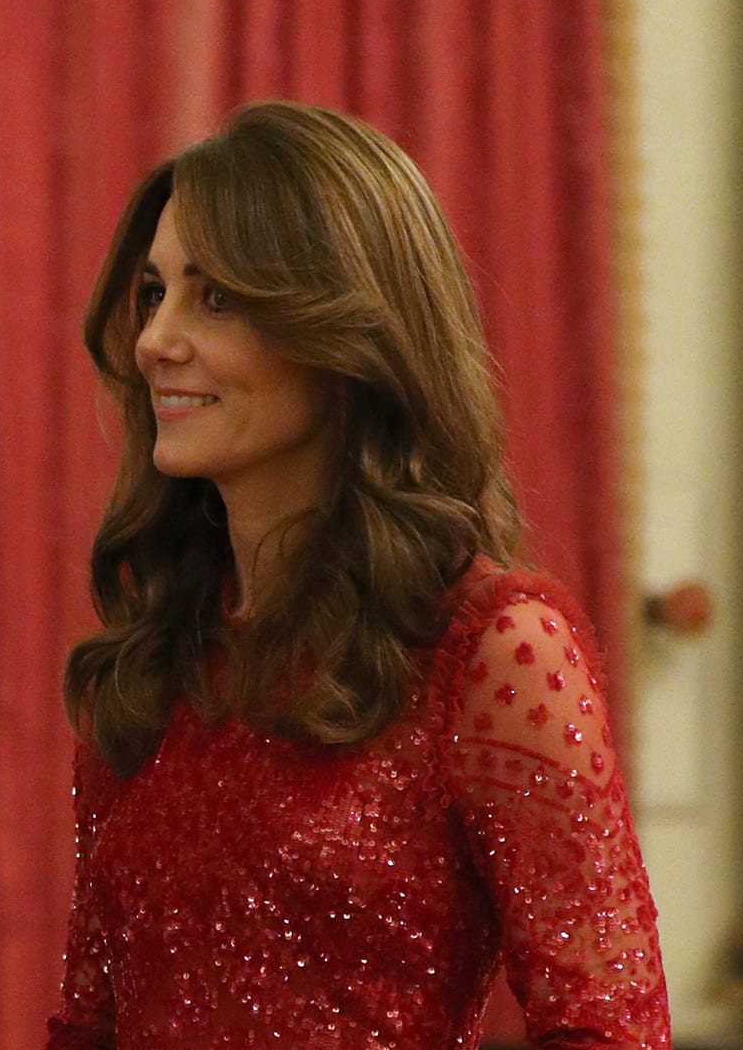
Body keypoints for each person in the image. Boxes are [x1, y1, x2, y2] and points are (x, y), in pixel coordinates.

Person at [46, 101, 668, 1048]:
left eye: (215, 298)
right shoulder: (155, 657)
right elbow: (89, 1024)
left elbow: (608, 1028)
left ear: (345, 334)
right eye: (154, 293)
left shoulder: (495, 648)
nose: (155, 342)